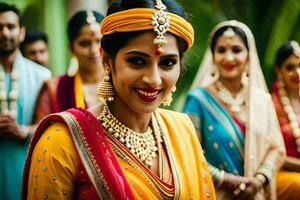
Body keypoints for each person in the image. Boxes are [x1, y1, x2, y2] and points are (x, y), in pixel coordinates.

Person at [22, 0, 216, 199]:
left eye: (167, 63)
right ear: (107, 60)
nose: (154, 79)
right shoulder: (60, 141)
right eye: (137, 61)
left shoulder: (182, 129)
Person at [183, 20, 285, 199]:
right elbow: (188, 155)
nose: (229, 58)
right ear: (213, 56)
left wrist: (258, 181)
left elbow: (276, 149)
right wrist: (228, 180)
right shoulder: (198, 100)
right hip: (216, 193)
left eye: (236, 50)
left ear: (248, 56)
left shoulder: (262, 100)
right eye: (221, 50)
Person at [0, 3, 51, 200]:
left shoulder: (42, 76)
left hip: (29, 167)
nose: (5, 33)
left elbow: (51, 124)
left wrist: (25, 131)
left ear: (21, 32)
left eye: (10, 27)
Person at [32, 10, 104, 123]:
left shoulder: (121, 85)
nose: (94, 50)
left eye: (99, 41)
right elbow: (41, 132)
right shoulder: (55, 89)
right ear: (71, 48)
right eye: (84, 43)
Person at [271, 41, 300, 199]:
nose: (297, 72)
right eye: (290, 67)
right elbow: (269, 153)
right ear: (278, 70)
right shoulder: (270, 105)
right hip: (281, 173)